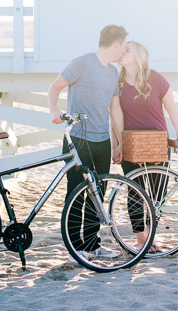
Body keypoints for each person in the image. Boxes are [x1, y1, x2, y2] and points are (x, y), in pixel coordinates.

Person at [46, 24, 129, 260]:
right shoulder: (81, 63)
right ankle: (75, 249)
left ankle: (92, 246)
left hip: (102, 141)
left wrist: (118, 142)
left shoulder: (113, 73)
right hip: (78, 140)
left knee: (97, 194)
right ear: (115, 44)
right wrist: (54, 110)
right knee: (75, 194)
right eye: (123, 46)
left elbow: (115, 109)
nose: (123, 50)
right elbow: (55, 87)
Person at [114, 39, 178, 252]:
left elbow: (172, 108)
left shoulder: (156, 79)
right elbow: (114, 117)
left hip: (157, 144)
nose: (121, 52)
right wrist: (116, 145)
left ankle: (151, 236)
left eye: (126, 50)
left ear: (139, 57)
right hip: (131, 144)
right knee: (135, 192)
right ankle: (141, 239)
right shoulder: (117, 83)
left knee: (157, 195)